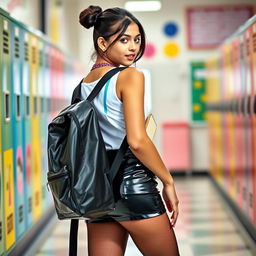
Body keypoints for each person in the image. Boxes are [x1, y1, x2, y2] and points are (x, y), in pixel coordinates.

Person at [79, 5, 180, 256]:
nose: (133, 47)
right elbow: (137, 141)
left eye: (136, 39)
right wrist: (168, 181)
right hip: (132, 185)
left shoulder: (84, 84)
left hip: (97, 192)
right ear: (102, 43)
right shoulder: (130, 76)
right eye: (124, 40)